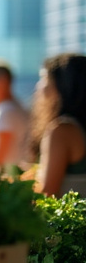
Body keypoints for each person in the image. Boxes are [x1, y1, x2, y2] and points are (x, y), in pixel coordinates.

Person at [33, 53, 86, 197]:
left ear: (62, 85)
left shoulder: (62, 129)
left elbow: (49, 191)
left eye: (44, 79)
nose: (39, 86)